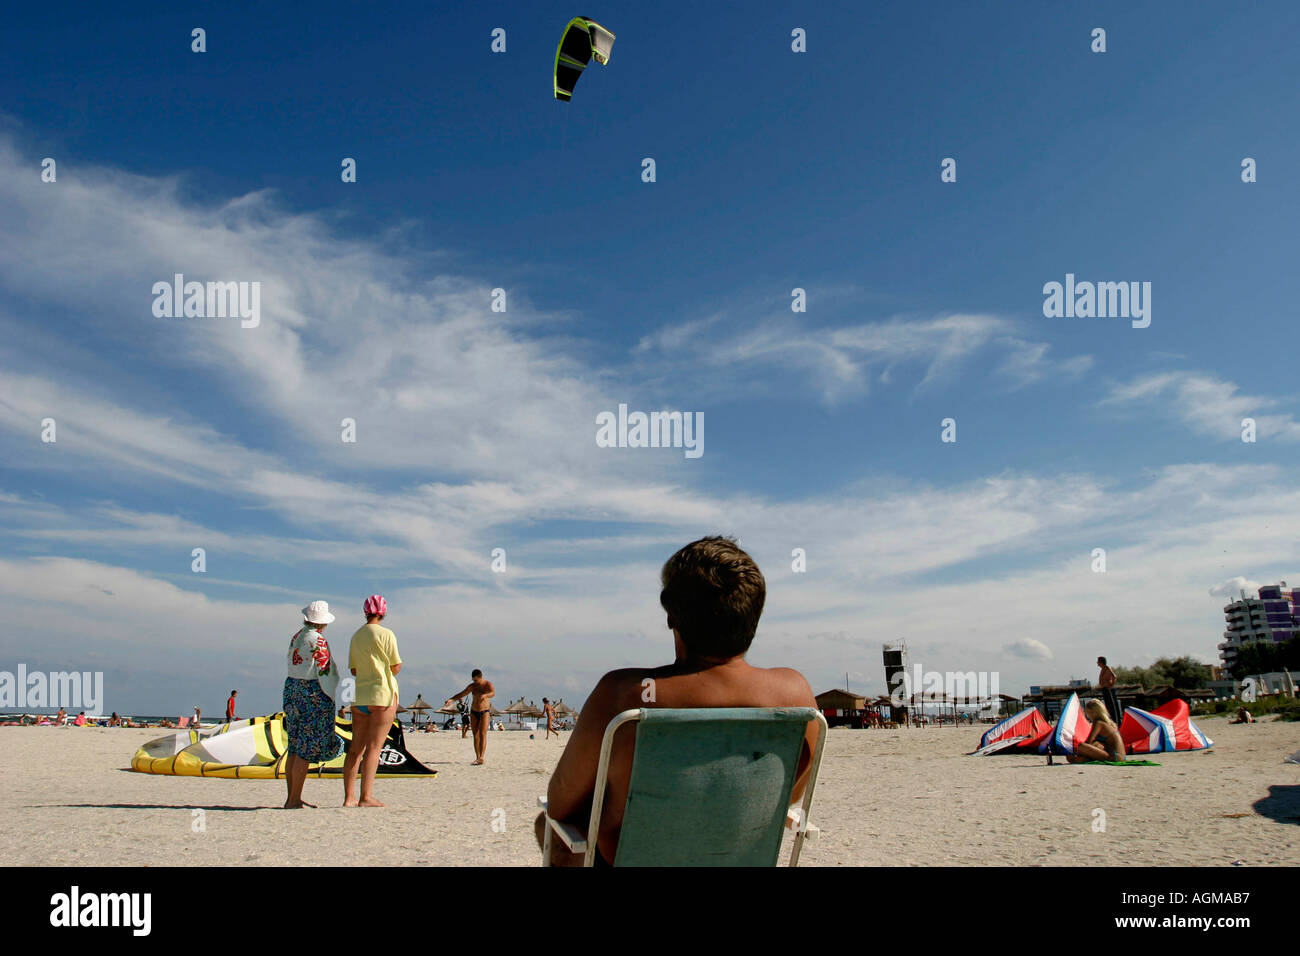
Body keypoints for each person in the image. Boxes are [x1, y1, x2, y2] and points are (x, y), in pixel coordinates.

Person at [536, 536, 819, 867]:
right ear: (753, 616)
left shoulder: (622, 694)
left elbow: (560, 804)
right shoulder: (794, 694)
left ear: (671, 615)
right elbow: (790, 795)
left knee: (551, 827)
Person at [283, 600, 343, 809]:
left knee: (294, 744)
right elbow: (325, 672)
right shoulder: (318, 640)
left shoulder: (297, 637)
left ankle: (292, 796)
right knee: (305, 747)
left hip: (292, 689)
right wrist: (331, 694)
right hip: (311, 692)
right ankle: (293, 799)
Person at [344, 595, 402, 807]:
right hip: (382, 694)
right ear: (383, 612)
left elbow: (353, 669)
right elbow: (395, 667)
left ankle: (348, 797)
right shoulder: (386, 634)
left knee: (355, 749)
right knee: (374, 748)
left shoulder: (356, 635)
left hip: (360, 695)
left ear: (365, 611)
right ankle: (365, 796)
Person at [446, 670, 495, 765]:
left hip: (484, 711)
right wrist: (452, 699)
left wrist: (486, 695)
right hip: (474, 711)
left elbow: (493, 693)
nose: (474, 682)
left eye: (476, 680)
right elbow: (462, 693)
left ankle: (482, 757)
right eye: (473, 680)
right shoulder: (472, 686)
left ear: (480, 677)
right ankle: (477, 757)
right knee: (475, 735)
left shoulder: (487, 684)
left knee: (482, 734)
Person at [1067, 699, 1126, 763]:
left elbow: (1089, 742)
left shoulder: (1098, 723)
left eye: (1088, 713)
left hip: (1114, 757)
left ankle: (1083, 759)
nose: (1088, 716)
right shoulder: (1109, 723)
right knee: (1096, 744)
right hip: (1120, 756)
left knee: (1080, 747)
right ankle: (1083, 759)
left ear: (1093, 713)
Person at [1096, 656, 1120, 722]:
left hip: (1108, 689)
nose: (1097, 663)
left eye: (1098, 662)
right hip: (1104, 689)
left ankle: (1117, 722)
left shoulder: (1107, 668)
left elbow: (1114, 676)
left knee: (1113, 706)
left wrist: (1111, 685)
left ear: (1101, 662)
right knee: (1108, 706)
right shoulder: (1102, 669)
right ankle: (1112, 721)